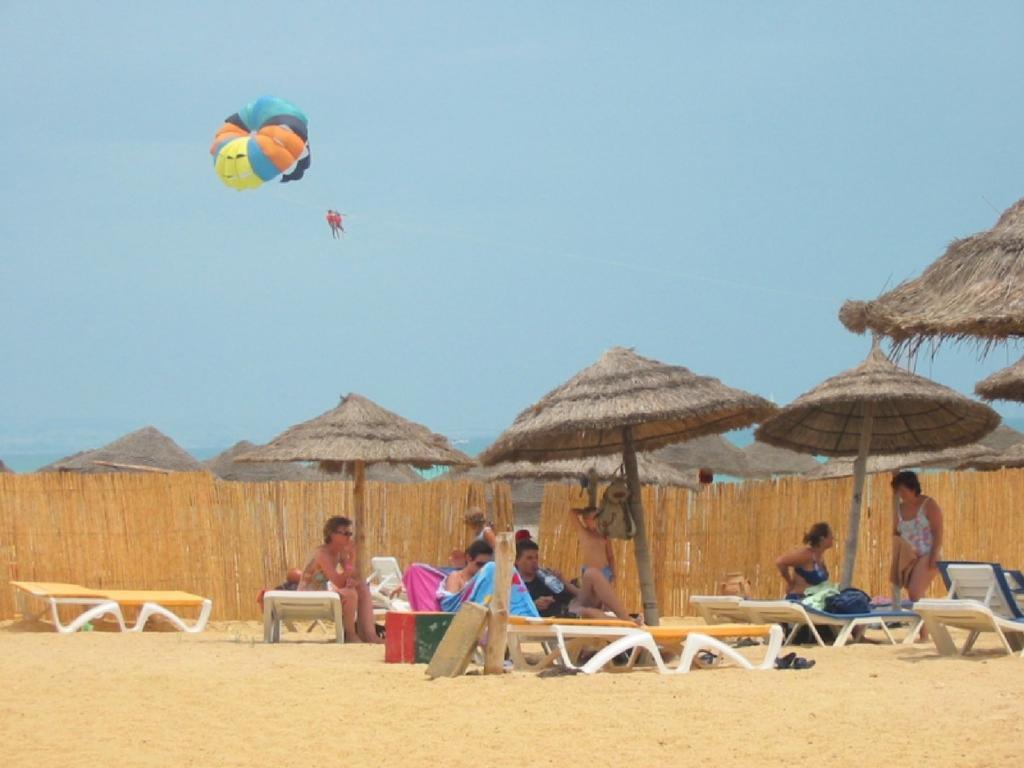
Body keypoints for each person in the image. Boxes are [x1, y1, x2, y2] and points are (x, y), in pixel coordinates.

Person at [297, 516, 381, 643]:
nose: (349, 537)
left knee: (362, 588)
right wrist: (352, 558)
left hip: (323, 597)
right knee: (349, 594)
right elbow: (339, 582)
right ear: (332, 534)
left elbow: (353, 574)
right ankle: (350, 634)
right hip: (308, 598)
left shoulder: (339, 553)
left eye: (350, 533)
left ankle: (369, 635)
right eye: (345, 533)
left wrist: (354, 580)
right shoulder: (322, 554)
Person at [892, 470, 943, 637]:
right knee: (917, 594)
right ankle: (928, 631)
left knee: (914, 591)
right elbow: (896, 533)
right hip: (911, 556)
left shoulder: (928, 504)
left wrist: (935, 554)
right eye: (898, 491)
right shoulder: (899, 509)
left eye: (903, 491)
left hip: (928, 553)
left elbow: (938, 531)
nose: (900, 494)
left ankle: (924, 634)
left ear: (913, 488)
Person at [571, 506, 637, 623]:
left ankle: (615, 618)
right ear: (586, 520)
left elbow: (610, 555)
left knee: (605, 599)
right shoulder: (583, 532)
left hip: (604, 570)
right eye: (594, 518)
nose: (597, 521)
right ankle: (608, 618)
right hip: (590, 571)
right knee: (593, 599)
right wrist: (585, 512)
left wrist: (613, 571)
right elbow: (571, 512)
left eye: (599, 518)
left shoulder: (604, 535)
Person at [515, 539, 580, 618]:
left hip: (554, 623)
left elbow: (576, 597)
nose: (534, 561)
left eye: (536, 557)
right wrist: (533, 605)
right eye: (529, 558)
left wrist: (563, 581)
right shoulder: (512, 584)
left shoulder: (546, 579)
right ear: (517, 560)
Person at [775, 522, 834, 599]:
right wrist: (790, 582)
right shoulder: (806, 555)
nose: (833, 537)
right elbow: (780, 561)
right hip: (799, 601)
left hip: (813, 602)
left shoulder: (819, 556)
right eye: (830, 535)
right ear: (822, 539)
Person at [439, 539, 494, 609]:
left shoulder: (486, 580)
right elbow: (451, 606)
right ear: (468, 558)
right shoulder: (456, 577)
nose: (482, 569)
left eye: (486, 566)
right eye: (480, 564)